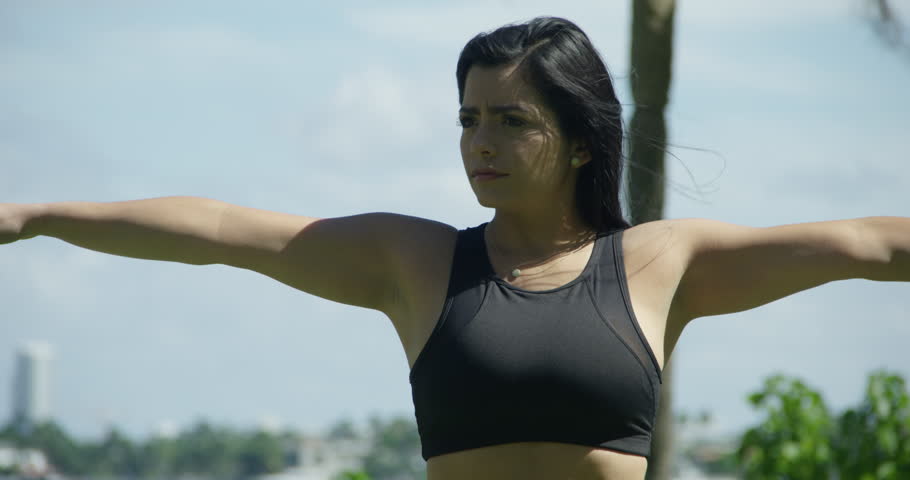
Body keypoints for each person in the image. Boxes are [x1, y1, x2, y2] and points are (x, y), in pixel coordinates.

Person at [1, 16, 907, 480]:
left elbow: (865, 243)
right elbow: (231, 233)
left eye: (511, 122)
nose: (479, 143)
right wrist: (37, 215)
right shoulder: (419, 262)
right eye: (468, 118)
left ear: (583, 139)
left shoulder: (663, 262)